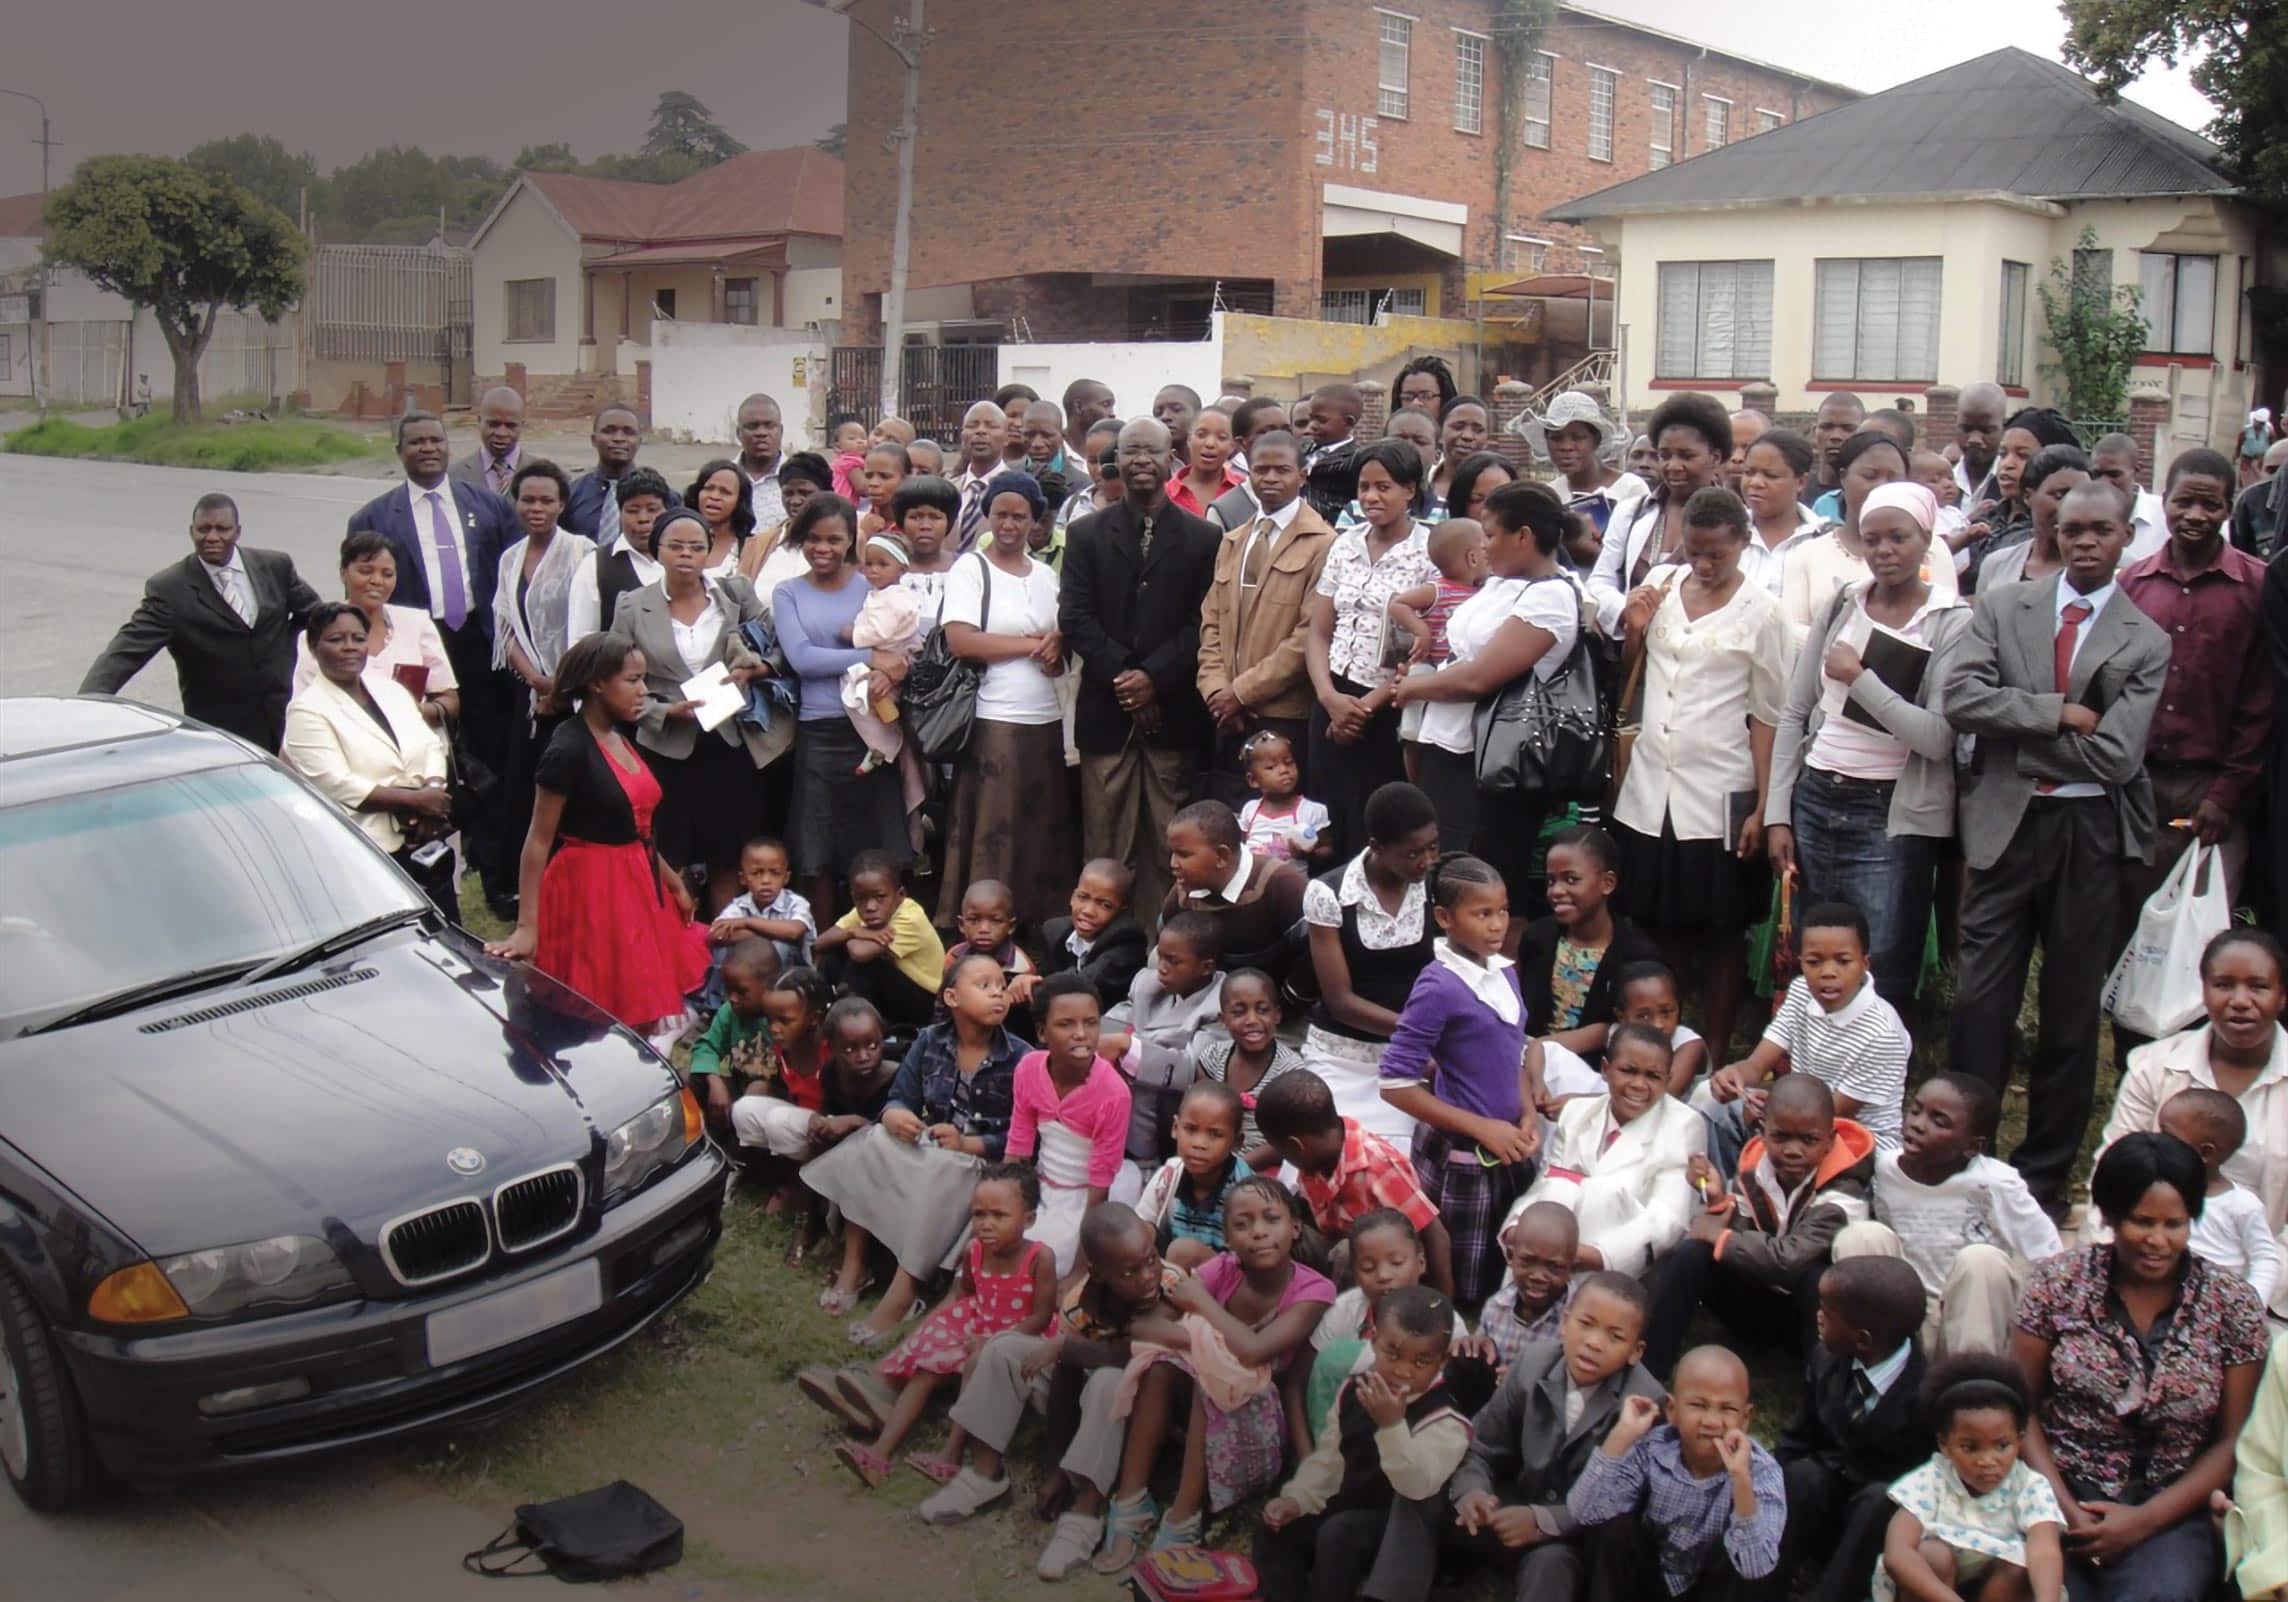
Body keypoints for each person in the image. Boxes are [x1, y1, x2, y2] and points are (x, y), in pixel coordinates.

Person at [1945, 479, 2169, 1213]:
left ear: (2125, 537)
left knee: (2071, 1016)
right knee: (1980, 1003)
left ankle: (2041, 1180)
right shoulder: (2006, 605)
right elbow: (1961, 700)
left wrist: (2019, 739)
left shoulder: (2145, 638)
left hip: (2087, 835)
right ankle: (1963, 1159)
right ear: (2055, 530)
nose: (2084, 543)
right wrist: (2059, 714)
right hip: (2005, 829)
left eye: (2101, 531)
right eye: (2071, 529)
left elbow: (2117, 759)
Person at [2013, 1132, 2267, 1602]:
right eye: (2142, 1221)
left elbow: (2236, 1440)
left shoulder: (2232, 1303)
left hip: (2171, 1508)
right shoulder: (2057, 1284)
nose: (2158, 1240)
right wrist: (2066, 1509)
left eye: (2175, 1224)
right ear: (2108, 1216)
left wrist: (2143, 1522)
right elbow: (2018, 1410)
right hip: (2057, 1496)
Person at [1765, 481, 1969, 1007]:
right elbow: (1795, 710)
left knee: (1882, 959)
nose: (1883, 551)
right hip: (1818, 797)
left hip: (1889, 814)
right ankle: (1814, 1073)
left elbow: (1938, 737)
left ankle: (1876, 1080)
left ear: (1927, 539)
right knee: (1819, 954)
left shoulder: (1950, 621)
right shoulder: (1844, 604)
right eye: (1871, 538)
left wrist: (1861, 679)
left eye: (1898, 537)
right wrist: (1778, 813)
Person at [1612, 486, 1788, 1064]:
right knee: (1657, 924)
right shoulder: (1662, 587)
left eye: (1718, 554)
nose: (1705, 565)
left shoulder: (1763, 611)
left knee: (1720, 931)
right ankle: (1658, 1043)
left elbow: (1768, 715)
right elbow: (1634, 676)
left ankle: (1712, 1049)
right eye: (1695, 553)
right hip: (1647, 791)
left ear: (1743, 542)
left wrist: (1765, 805)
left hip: (1718, 791)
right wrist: (1635, 629)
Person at [917, 1205, 1181, 1576]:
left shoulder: (1172, 1285)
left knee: (1108, 1381)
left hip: (1139, 1407)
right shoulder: (1079, 1306)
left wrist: (1066, 1348)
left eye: (1150, 1260)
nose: (1147, 1276)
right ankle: (984, 1474)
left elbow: (1133, 1352)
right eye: (1129, 1271)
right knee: (1003, 1349)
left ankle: (1085, 1512)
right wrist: (1055, 1467)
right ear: (1099, 1275)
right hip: (1082, 1389)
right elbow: (1065, 1377)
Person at [1095, 1177, 1337, 1566]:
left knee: (1213, 1375)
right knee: (1162, 1367)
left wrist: (1204, 1312)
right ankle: (1131, 1499)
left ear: (1294, 1227)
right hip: (1206, 1398)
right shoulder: (1222, 1270)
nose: (1258, 1232)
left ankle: (1184, 1515)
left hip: (1261, 1419)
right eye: (1243, 1224)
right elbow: (1143, 1326)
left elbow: (1255, 1352)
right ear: (1227, 1237)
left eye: (1271, 1219)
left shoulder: (1314, 1291)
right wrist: (1207, 1347)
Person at [483, 633, 706, 1040]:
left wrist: (673, 883)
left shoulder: (619, 735)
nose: (643, 691)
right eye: (632, 680)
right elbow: (537, 841)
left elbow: (636, 828)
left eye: (644, 680)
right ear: (597, 683)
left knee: (637, 1005)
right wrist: (526, 926)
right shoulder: (568, 748)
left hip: (637, 884)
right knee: (596, 1008)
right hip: (591, 894)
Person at [803, 949, 1026, 1333]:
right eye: (984, 985)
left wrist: (971, 1144)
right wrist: (895, 1116)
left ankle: (906, 1289)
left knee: (945, 1173)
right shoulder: (929, 1041)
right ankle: (855, 1265)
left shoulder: (1021, 1058)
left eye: (1002, 988)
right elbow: (899, 1097)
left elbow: (1024, 1135)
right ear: (952, 998)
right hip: (936, 1146)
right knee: (874, 1141)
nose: (997, 995)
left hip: (980, 1162)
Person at [798, 1163, 1055, 1488]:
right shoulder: (974, 1252)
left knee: (976, 1366)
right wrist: (958, 1330)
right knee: (927, 1369)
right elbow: (970, 1293)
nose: (987, 1224)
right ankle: (879, 1455)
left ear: (1029, 1219)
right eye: (979, 1215)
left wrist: (995, 1340)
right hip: (979, 1330)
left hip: (1016, 1342)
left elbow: (1041, 1318)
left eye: (999, 1216)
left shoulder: (1039, 1258)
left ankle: (950, 1455)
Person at [2115, 447, 2269, 976]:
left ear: (2230, 508)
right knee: (2133, 935)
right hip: (2137, 785)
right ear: (2167, 503)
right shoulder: (2132, 585)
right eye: (2185, 502)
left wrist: (2227, 794)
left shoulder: (2257, 586)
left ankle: (2201, 1049)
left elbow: (2262, 701)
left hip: (2215, 788)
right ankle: (2138, 1054)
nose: (2196, 516)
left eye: (2212, 504)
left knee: (2205, 941)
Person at [1060, 417, 1221, 920]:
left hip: (1173, 712)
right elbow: (1075, 616)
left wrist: (1153, 678)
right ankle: (1105, 949)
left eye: (1151, 451)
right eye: (1130, 452)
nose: (1140, 461)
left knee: (1169, 843)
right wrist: (1127, 679)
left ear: (1173, 457)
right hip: (1107, 713)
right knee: (1105, 844)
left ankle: (1162, 945)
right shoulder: (1085, 534)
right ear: (1116, 461)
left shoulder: (1203, 537)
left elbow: (1205, 621)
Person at [1392, 484, 1580, 912]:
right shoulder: (1499, 583)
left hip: (1491, 763)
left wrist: (1413, 688)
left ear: (1525, 537)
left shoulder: (1551, 597)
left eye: (1491, 535)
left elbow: (1480, 677)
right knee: (1444, 881)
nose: (1484, 546)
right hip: (1449, 748)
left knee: (1479, 886)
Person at [1422, 1272, 1665, 1602]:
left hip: (1573, 1534)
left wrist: (1543, 1521)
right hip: (1510, 1505)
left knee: (1552, 1565)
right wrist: (1474, 1492)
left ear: (1635, 1352)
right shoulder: (1533, 1363)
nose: (1594, 1342)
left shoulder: (1644, 1403)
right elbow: (1481, 1445)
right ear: (1565, 1322)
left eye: (1615, 1336)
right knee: (1427, 1487)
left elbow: (1622, 1504)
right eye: (1586, 1324)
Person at [2084, 929, 2288, 1291]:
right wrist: (2115, 1276)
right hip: (2143, 1278)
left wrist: (2254, 1292)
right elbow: (2110, 1176)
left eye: (2258, 986)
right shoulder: (2155, 1067)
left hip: (2267, 1290)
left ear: (2282, 996)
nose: (2240, 1000)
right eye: (2224, 985)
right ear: (2204, 991)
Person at [1377, 855, 1536, 1304]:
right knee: (1463, 1286)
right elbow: (1394, 1084)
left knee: (1506, 1273)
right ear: (1445, 918)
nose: (1496, 924)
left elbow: (1513, 1052)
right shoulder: (1439, 986)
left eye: (1502, 910)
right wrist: (1482, 1127)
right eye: (1481, 913)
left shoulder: (1504, 970)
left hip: (1510, 1145)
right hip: (1463, 1158)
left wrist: (1527, 1113)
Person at [1643, 1074, 1874, 1380]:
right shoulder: (1756, 1166)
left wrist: (1719, 1234)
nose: (1793, 1150)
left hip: (1812, 1319)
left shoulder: (1846, 1190)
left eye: (1808, 1140)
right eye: (1780, 1137)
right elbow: (1740, 1231)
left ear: (1830, 1140)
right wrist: (1717, 1200)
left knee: (1815, 1278)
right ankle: (1648, 1371)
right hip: (1759, 1299)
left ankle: (1821, 1394)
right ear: (1763, 1131)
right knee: (1692, 1252)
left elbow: (1789, 1260)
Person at [1253, 1286, 1473, 1602]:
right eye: (1393, 1353)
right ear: (1373, 1340)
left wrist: (1392, 1425)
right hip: (1349, 1501)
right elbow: (1329, 1460)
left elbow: (1417, 1485)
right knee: (1275, 1530)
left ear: (1442, 1362)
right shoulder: (1354, 1389)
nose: (1402, 1370)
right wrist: (1298, 1500)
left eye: (1421, 1361)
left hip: (1406, 1532)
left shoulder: (1446, 1418)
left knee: (1339, 1533)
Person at [608, 510, 776, 916]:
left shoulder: (734, 593)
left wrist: (755, 670)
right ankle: (670, 944)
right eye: (676, 546)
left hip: (727, 742)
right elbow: (615, 678)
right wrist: (664, 711)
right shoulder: (633, 606)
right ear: (658, 551)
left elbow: (776, 646)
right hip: (665, 748)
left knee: (726, 853)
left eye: (697, 547)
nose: (686, 555)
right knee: (668, 853)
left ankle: (724, 942)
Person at [1832, 1074, 2061, 1357]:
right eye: (1915, 1110)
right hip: (1910, 1311)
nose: (1917, 1124)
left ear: (1973, 1147)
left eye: (1938, 1121)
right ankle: (1874, 1372)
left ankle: (1969, 1390)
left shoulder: (1995, 1184)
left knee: (1982, 1260)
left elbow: (2048, 1255)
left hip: (1974, 1313)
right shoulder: (1885, 1170)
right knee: (1861, 1236)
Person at [938, 470, 1075, 929]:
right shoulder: (970, 568)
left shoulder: (1044, 576)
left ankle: (1033, 924)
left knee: (1039, 827)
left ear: (1037, 521)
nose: (1010, 525)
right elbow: (962, 641)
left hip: (1046, 716)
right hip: (994, 716)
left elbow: (1058, 638)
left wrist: (1053, 647)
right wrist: (1032, 644)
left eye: (1020, 516)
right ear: (988, 516)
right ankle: (981, 926)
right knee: (992, 829)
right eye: (1001, 515)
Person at [83, 492, 321, 753]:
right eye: (204, 529)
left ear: (238, 531)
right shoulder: (170, 589)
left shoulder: (275, 566)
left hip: (286, 716)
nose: (212, 537)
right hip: (221, 732)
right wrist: (86, 703)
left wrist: (287, 651)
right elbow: (126, 652)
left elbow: (316, 617)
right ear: (191, 532)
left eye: (222, 529)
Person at [774, 495, 912, 918]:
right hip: (818, 732)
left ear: (851, 539)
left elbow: (901, 646)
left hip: (871, 732)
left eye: (834, 539)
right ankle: (823, 950)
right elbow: (802, 659)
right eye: (813, 539)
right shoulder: (788, 592)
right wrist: (869, 658)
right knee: (817, 852)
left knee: (877, 849)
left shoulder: (872, 584)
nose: (823, 548)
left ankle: (882, 945)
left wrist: (894, 668)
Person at [1566, 1345, 1786, 1601]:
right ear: (1672, 1410)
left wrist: (1741, 1481)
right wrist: (1621, 1436)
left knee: (1735, 1550)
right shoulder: (1652, 1448)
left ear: (1745, 1418)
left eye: (1727, 1409)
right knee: (1616, 1531)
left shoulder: (1762, 1471)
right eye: (1698, 1405)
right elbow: (1582, 1513)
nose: (1712, 1421)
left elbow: (1756, 1568)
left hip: (1711, 1590)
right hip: (1649, 1580)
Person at [1306, 438, 1439, 860]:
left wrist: (1363, 709)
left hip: (1388, 708)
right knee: (1329, 823)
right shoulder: (1345, 544)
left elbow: (1427, 646)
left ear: (1409, 490)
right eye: (1364, 487)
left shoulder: (1429, 552)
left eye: (1383, 487)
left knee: (1376, 827)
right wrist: (1329, 698)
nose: (1370, 497)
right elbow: (1319, 632)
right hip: (1331, 699)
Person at [1704, 898, 1910, 1165]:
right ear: (1800, 962)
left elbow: (1829, 1114)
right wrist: (1734, 1076)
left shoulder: (1882, 1034)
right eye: (1814, 962)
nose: (1828, 972)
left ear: (1864, 963)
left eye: (1842, 961)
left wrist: (1767, 1110)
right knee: (1709, 1100)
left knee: (1768, 1138)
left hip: (1856, 1143)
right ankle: (1731, 1194)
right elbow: (1756, 1064)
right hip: (1794, 1116)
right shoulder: (1801, 991)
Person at [281, 602, 456, 915]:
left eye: (358, 638)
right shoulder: (306, 710)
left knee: (445, 936)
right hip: (367, 852)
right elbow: (336, 783)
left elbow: (429, 745)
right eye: (336, 640)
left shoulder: (391, 690)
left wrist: (432, 792)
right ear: (313, 646)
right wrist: (417, 802)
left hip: (424, 839)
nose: (350, 647)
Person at [1777, 1255, 1932, 1602]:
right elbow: (1798, 1437)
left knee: (1881, 1499)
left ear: (1862, 1339)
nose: (1817, 1317)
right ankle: (1763, 1583)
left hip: (1879, 1529)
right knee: (1802, 1476)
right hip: (1826, 1501)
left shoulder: (1926, 1396)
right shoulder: (1826, 1359)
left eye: (1827, 1313)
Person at [1198, 430, 1338, 801]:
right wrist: (1217, 690)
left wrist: (1242, 692)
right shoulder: (1234, 540)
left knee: (1282, 828)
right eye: (1261, 470)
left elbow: (1308, 634)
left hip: (1283, 713)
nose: (1271, 479)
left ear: (1302, 475)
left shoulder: (1323, 544)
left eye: (1282, 470)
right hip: (1226, 714)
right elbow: (1211, 620)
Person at [1302, 781, 1441, 1147]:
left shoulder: (1435, 885)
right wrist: (1418, 1034)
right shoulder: (1328, 894)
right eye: (1413, 854)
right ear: (1377, 848)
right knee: (1338, 1155)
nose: (1426, 860)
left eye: (1433, 846)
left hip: (1416, 1059)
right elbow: (1341, 1002)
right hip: (1344, 1057)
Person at [1509, 1023, 1701, 1280]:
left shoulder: (1684, 1124)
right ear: (1605, 1069)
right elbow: (1546, 1182)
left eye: (1653, 1076)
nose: (1639, 1084)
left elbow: (1666, 1221)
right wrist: (1517, 1229)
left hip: (1624, 1265)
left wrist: (1592, 1255)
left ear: (1667, 1079)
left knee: (1600, 1195)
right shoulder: (1577, 1112)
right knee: (1558, 1190)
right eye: (1628, 1071)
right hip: (1552, 1248)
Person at [1875, 1353, 2066, 1602]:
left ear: (2019, 1440)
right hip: (1934, 1590)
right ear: (1944, 1444)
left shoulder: (2030, 1486)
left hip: (1997, 1589)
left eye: (2002, 1445)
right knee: (1932, 1555)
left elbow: (2045, 1550)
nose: (1987, 1460)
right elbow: (1897, 1554)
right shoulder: (1931, 1480)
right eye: (1970, 1447)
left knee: (2021, 1567)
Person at [492, 461, 596, 897]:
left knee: (571, 794)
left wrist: (559, 684)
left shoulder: (582, 552)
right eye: (528, 499)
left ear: (562, 504)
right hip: (532, 694)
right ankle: (525, 888)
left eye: (546, 500)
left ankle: (569, 886)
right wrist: (536, 680)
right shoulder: (510, 557)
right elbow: (506, 627)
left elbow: (589, 623)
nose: (536, 508)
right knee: (527, 788)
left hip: (572, 696)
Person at [1258, 1069, 1455, 1296]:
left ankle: (1346, 1312)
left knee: (1347, 1252)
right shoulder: (1315, 1162)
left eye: (1281, 1150)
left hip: (1384, 1268)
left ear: (1295, 1147)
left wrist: (1443, 1304)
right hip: (1338, 1249)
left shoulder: (1379, 1166)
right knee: (1286, 1230)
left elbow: (1434, 1233)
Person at [1004, 974, 1131, 1275]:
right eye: (1066, 1024)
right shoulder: (1028, 1069)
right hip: (1042, 1185)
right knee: (1004, 1239)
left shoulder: (1113, 1094)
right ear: (1042, 1032)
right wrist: (1008, 1204)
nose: (1081, 1034)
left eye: (1090, 1023)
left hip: (1088, 1195)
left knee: (1048, 1258)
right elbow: (1018, 1147)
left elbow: (1100, 1184)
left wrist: (1078, 1272)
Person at [1785, 430, 1959, 647]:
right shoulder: (1807, 554)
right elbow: (1791, 631)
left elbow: (1945, 620)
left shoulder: (1933, 548)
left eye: (1893, 478)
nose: (1881, 485)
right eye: (1870, 476)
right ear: (1843, 477)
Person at [1101, 912, 1229, 1198]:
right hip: (1126, 1095)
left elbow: (1191, 1068)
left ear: (1206, 967)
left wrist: (1127, 1046)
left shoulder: (1221, 1003)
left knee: (1144, 1077)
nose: (1162, 968)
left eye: (1174, 961)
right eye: (1161, 956)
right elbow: (1115, 1022)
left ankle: (1146, 1166)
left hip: (1173, 1106)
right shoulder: (1147, 984)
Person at [1514, 827, 1662, 1064]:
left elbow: (1640, 1029)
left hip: (1598, 1070)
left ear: (1607, 883)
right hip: (1528, 1060)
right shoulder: (1537, 937)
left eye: (1571, 879)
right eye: (1551, 881)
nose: (1557, 891)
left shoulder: (1636, 955)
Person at [1591, 393, 1733, 635]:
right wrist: (1628, 610)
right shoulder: (1632, 512)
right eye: (1665, 456)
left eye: (1687, 456)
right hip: (1633, 658)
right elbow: (1599, 582)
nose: (1673, 466)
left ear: (1716, 457)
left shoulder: (1735, 520)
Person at [296, 531, 460, 726]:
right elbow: (302, 708)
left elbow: (449, 699)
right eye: (366, 571)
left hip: (415, 744)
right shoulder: (319, 633)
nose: (377, 581)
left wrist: (417, 711)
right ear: (343, 573)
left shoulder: (417, 624)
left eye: (387, 574)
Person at [2157, 1087, 2281, 1304]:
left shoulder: (2240, 1205)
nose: (2157, 1142)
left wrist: (2249, 1305)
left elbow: (2265, 1259)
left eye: (2167, 1136)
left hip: (2215, 1310)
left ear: (2206, 1153)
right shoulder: (2153, 1191)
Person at [1161, 799, 1308, 979]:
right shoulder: (1182, 895)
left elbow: (1314, 954)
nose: (1173, 864)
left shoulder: (1282, 885)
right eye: (1172, 854)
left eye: (1183, 854)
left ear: (1221, 856)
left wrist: (1289, 999)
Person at [814, 848, 946, 1034]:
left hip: (924, 1001)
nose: (870, 906)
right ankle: (825, 1010)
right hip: (891, 991)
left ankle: (853, 1021)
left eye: (880, 897)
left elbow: (860, 954)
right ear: (853, 897)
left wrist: (852, 934)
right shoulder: (865, 911)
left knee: (868, 965)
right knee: (832, 954)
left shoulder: (910, 917)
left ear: (900, 895)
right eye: (861, 899)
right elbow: (819, 943)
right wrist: (854, 932)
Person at [1193, 970, 1306, 1168]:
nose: (1252, 1020)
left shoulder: (1290, 1072)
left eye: (1262, 1010)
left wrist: (1237, 1168)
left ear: (1277, 1015)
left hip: (1266, 1167)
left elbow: (1289, 1140)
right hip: (1213, 1158)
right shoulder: (1211, 1058)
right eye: (1238, 1012)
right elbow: (1203, 1117)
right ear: (1223, 1019)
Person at [1132, 1081, 1254, 1259]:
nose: (1199, 1144)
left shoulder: (1246, 1190)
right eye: (1190, 1129)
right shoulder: (1169, 1174)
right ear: (1175, 1128)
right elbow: (1143, 1224)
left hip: (1227, 1277)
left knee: (1184, 1252)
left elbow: (1248, 1260)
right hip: (1174, 1272)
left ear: (1237, 1141)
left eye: (1215, 1134)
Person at [566, 468, 673, 642]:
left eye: (652, 509)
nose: (643, 518)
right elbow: (580, 641)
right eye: (633, 510)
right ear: (619, 512)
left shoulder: (684, 559)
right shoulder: (596, 566)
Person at [1524, 390, 1649, 539]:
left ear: (1596, 440)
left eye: (1578, 438)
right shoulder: (1549, 494)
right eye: (1556, 438)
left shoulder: (1631, 489)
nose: (1566, 447)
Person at [1473, 1199, 1582, 1368]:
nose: (1538, 1276)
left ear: (1572, 1269)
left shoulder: (1580, 1318)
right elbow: (1481, 1347)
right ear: (1510, 1256)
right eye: (1527, 1261)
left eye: (1554, 1267)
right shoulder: (1496, 1308)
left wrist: (1520, 1380)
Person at [1973, 445, 2094, 594]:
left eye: (2082, 495)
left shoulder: (2115, 567)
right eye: (2060, 495)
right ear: (2028, 496)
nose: (2072, 506)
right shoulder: (1997, 565)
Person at [1036, 857, 1150, 1013]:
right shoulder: (1053, 930)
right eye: (1082, 897)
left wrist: (1034, 983)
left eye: (1105, 905)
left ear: (1121, 912)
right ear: (1072, 897)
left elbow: (1081, 985)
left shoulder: (1128, 940)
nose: (1088, 911)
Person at [706, 835, 814, 976]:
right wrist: (773, 933)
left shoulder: (796, 902)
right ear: (743, 879)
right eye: (757, 873)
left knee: (779, 947)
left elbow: (793, 931)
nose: (766, 880)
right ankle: (721, 996)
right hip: (750, 972)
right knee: (722, 951)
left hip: (793, 979)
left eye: (775, 873)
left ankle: (771, 994)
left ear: (786, 877)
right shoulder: (740, 904)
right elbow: (717, 934)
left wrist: (746, 923)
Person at [1735, 428, 1823, 597]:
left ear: (1801, 482)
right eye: (1749, 473)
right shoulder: (1726, 532)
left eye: (1771, 475)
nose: (1756, 483)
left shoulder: (1823, 539)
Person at [564, 404, 671, 541]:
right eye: (609, 431)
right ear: (594, 440)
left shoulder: (663, 495)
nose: (619, 438)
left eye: (628, 432)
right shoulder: (572, 494)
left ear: (639, 441)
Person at [738, 450, 833, 598]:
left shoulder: (846, 542)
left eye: (805, 493)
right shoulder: (759, 545)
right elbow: (741, 600)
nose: (795, 501)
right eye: (788, 493)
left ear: (826, 493)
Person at [1237, 731, 1333, 865]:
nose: (1284, 770)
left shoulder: (1312, 811)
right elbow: (1239, 848)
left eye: (1288, 762)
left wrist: (1309, 855)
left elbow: (1328, 850)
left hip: (1293, 884)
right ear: (1253, 780)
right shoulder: (1250, 810)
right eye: (1271, 767)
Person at [2089, 433, 2168, 562]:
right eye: (2096, 474)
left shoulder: (2164, 516)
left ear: (2137, 469)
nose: (2103, 482)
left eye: (2114, 474)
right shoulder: (2080, 516)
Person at [950, 400, 1012, 550]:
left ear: (1007, 437)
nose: (980, 431)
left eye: (991, 426)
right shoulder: (947, 489)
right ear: (962, 435)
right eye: (972, 426)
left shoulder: (1016, 491)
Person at [1302, 382, 1366, 526]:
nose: (1312, 425)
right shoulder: (1302, 449)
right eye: (1311, 418)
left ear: (1348, 422)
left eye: (1321, 420)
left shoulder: (1354, 461)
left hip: (1331, 529)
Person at [684, 458, 757, 575]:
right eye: (708, 488)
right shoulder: (675, 540)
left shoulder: (752, 549)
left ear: (739, 501)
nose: (714, 496)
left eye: (725, 492)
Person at [1168, 407, 1245, 518]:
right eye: (1201, 435)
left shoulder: (1244, 490)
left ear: (1232, 446)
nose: (1210, 444)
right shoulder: (1166, 494)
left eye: (1221, 438)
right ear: (1189, 439)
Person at [451, 385, 525, 498]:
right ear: (479, 421)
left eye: (510, 426)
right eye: (493, 424)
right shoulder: (453, 476)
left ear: (521, 425)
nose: (501, 433)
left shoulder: (544, 475)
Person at [731, 392, 787, 528]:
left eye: (769, 425)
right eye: (752, 426)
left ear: (781, 431)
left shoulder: (800, 480)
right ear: (739, 433)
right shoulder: (723, 478)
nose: (761, 433)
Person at [1952, 382, 2009, 505]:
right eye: (1966, 429)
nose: (1975, 439)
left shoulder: (2013, 485)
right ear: (1955, 423)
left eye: (1986, 430)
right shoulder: (1937, 481)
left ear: (2004, 427)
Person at [1812, 391, 1870, 498]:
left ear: (1864, 434)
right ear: (1814, 432)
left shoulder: (1871, 497)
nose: (1836, 436)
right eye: (1826, 427)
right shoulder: (1794, 493)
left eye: (1847, 429)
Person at [1062, 377, 1116, 461]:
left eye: (1112, 406)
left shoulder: (1113, 454)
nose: (1112, 414)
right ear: (1078, 406)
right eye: (1106, 405)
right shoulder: (1052, 454)